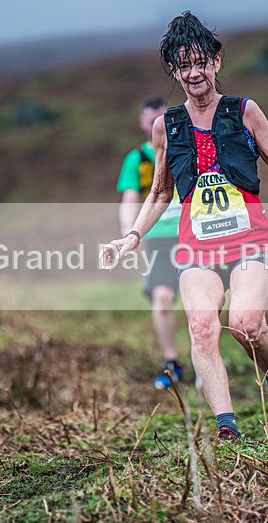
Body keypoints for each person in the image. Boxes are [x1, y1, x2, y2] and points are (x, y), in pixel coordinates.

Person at [103, 11, 268, 441]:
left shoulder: (245, 111)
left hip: (250, 238)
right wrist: (130, 237)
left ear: (216, 62)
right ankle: (228, 430)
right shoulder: (168, 126)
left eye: (200, 61)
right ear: (173, 71)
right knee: (202, 327)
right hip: (196, 248)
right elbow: (162, 192)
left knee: (245, 323)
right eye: (183, 65)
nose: (193, 72)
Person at [116, 97, 185, 390]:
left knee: (204, 302)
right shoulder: (138, 159)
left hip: (194, 232)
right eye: (153, 118)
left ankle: (208, 356)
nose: (159, 123)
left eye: (164, 116)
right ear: (144, 123)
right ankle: (171, 363)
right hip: (157, 237)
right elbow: (129, 199)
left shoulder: (188, 148)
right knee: (162, 298)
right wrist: (131, 233)